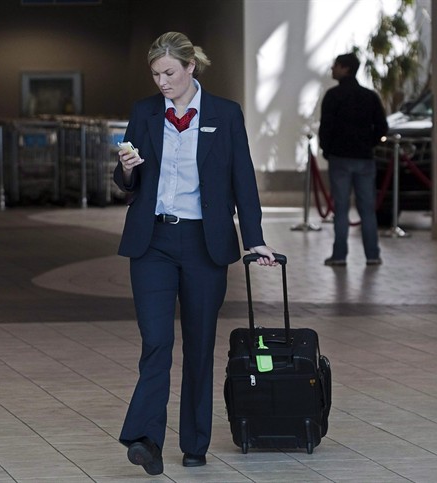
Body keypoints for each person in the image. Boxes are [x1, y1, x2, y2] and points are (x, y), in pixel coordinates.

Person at [113, 31, 277, 476]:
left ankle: (194, 442)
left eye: (169, 73)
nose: (161, 82)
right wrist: (125, 171)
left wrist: (255, 238)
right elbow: (127, 184)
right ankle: (145, 438)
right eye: (155, 74)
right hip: (153, 243)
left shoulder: (225, 114)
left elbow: (243, 177)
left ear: (190, 68)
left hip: (205, 244)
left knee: (200, 345)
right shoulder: (144, 112)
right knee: (157, 341)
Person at [319, 52, 388, 267]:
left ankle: (339, 255)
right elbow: (382, 128)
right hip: (365, 159)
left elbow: (326, 128)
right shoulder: (370, 96)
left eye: (336, 66)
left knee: (341, 208)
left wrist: (327, 150)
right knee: (367, 208)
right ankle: (372, 254)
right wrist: (369, 144)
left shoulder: (333, 96)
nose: (332, 69)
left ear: (345, 68)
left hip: (339, 158)